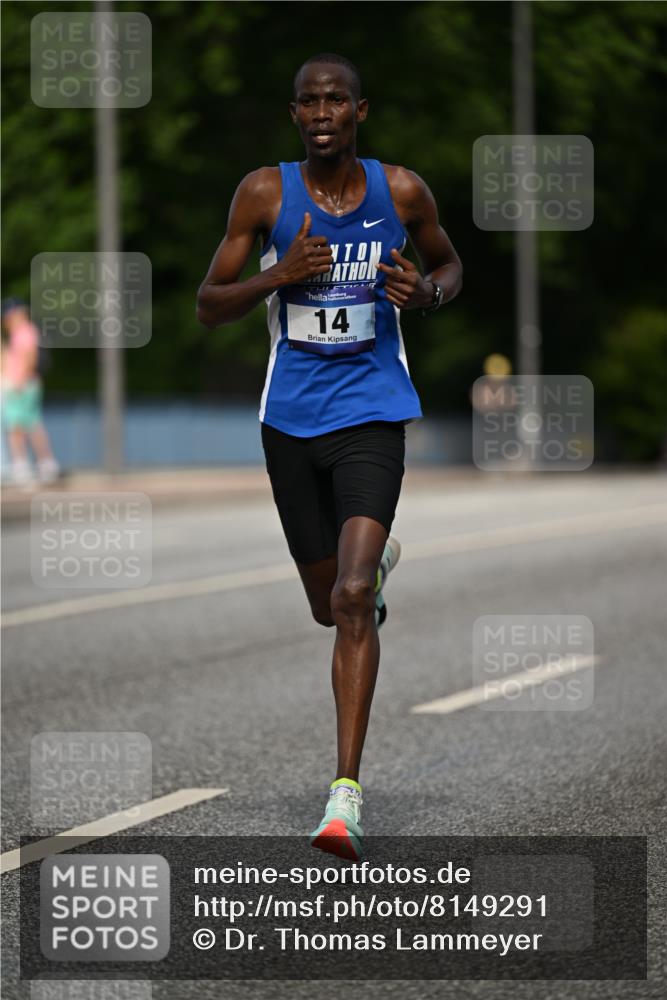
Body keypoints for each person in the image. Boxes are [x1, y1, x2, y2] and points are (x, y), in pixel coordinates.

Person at [197, 53, 462, 861]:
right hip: (290, 421)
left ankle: (342, 796)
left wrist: (428, 293)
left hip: (374, 412)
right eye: (309, 101)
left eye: (336, 100)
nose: (322, 112)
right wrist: (282, 274)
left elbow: (448, 264)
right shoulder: (263, 194)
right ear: (294, 115)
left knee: (350, 597)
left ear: (359, 111)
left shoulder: (403, 191)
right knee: (328, 605)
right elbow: (209, 304)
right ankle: (365, 581)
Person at [1, 297, 59, 486]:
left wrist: (19, 380)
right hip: (27, 384)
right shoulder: (25, 332)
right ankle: (45, 464)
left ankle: (23, 466)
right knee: (32, 424)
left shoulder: (23, 333)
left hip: (22, 385)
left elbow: (29, 357)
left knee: (17, 427)